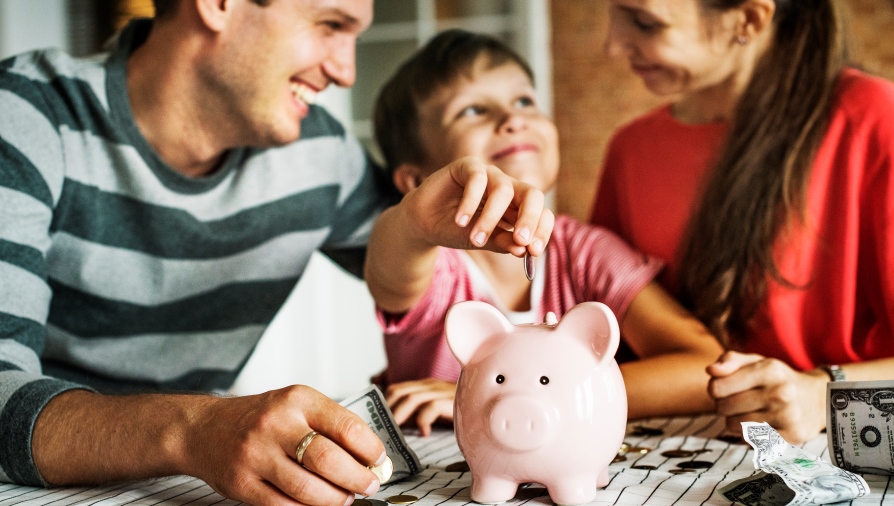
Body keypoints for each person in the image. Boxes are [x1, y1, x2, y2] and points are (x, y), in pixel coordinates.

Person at [0, 0, 554, 504]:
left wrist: (422, 226)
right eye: (330, 25)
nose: (345, 71)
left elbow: (414, 286)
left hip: (175, 489)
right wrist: (196, 430)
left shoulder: (321, 153)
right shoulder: (24, 114)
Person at [364, 29, 725, 436]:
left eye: (524, 101)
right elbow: (389, 272)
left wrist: (506, 396)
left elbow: (704, 366)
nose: (513, 119)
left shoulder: (586, 252)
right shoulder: (433, 264)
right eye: (472, 111)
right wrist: (413, 223)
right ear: (416, 180)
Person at [591, 0, 894, 444]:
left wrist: (824, 392)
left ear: (749, 19)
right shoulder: (631, 151)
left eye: (644, 22)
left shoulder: (875, 119)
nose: (612, 46)